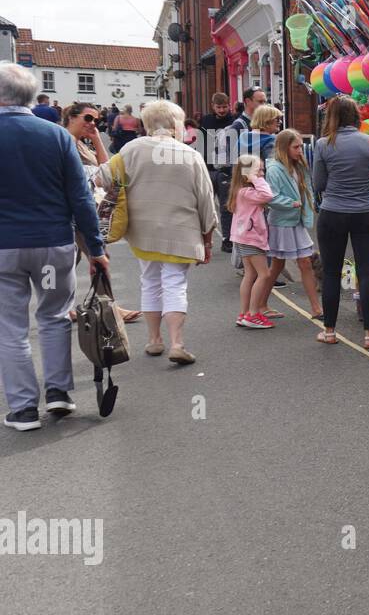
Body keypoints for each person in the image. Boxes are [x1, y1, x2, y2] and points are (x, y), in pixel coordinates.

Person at [0, 63, 109, 430]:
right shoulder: (57, 136)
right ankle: (60, 393)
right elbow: (80, 198)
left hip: (4, 249)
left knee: (10, 328)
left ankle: (24, 409)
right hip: (52, 245)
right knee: (54, 316)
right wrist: (96, 249)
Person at [95, 100, 216, 364]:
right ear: (176, 125)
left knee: (149, 282)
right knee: (175, 285)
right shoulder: (190, 155)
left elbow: (100, 178)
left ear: (148, 125)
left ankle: (154, 340)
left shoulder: (131, 150)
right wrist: (207, 239)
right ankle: (177, 343)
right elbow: (206, 199)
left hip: (142, 231)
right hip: (181, 233)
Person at [312, 96, 369, 348]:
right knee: (366, 272)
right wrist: (364, 187)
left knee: (332, 272)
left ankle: (329, 331)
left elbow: (319, 184)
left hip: (332, 213)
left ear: (331, 117)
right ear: (356, 116)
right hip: (365, 212)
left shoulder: (323, 144)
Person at [62, 102, 142, 323]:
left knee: (81, 260)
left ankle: (79, 307)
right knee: (96, 258)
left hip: (83, 210)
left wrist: (97, 138)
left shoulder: (81, 144)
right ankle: (109, 308)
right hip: (71, 211)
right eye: (88, 118)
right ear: (71, 117)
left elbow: (104, 170)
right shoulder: (63, 142)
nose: (92, 123)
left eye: (96, 120)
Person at [266, 128, 323, 318]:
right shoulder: (274, 169)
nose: (300, 150)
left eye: (300, 146)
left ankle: (316, 308)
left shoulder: (298, 165)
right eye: (296, 147)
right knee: (277, 266)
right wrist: (291, 203)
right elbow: (271, 197)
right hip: (282, 222)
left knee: (305, 263)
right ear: (284, 147)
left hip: (295, 220)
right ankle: (259, 305)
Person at [227, 154, 277, 329]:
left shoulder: (241, 191)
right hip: (251, 238)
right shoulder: (248, 192)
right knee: (264, 275)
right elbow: (268, 195)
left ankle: (244, 313)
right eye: (259, 170)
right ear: (247, 173)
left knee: (250, 274)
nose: (262, 173)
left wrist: (255, 177)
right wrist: (255, 179)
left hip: (244, 237)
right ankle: (254, 314)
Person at [199, 92, 236, 251]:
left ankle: (227, 239)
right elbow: (201, 144)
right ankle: (201, 240)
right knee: (204, 206)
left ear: (229, 105)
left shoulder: (234, 121)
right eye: (218, 107)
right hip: (208, 168)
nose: (222, 110)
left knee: (226, 206)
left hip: (226, 170)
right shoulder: (206, 120)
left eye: (224, 107)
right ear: (212, 106)